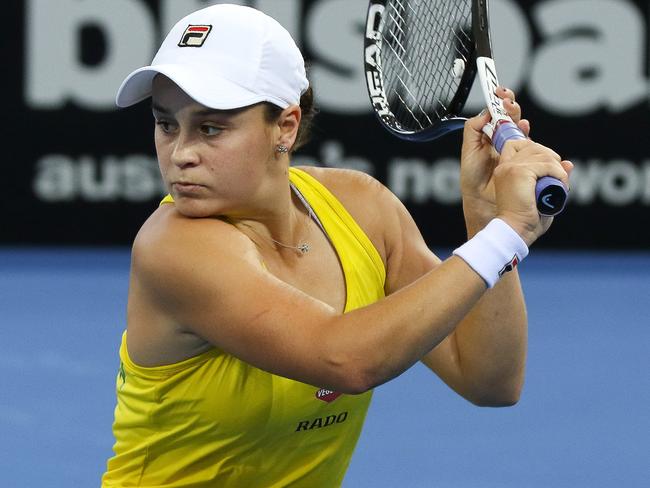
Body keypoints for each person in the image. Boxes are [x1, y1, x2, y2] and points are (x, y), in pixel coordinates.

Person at [101, 4, 572, 487]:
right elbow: (346, 360)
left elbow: (490, 380)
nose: (180, 154)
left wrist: (486, 217)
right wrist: (508, 232)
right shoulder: (175, 248)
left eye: (211, 128)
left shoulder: (361, 208)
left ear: (284, 126)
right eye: (166, 125)